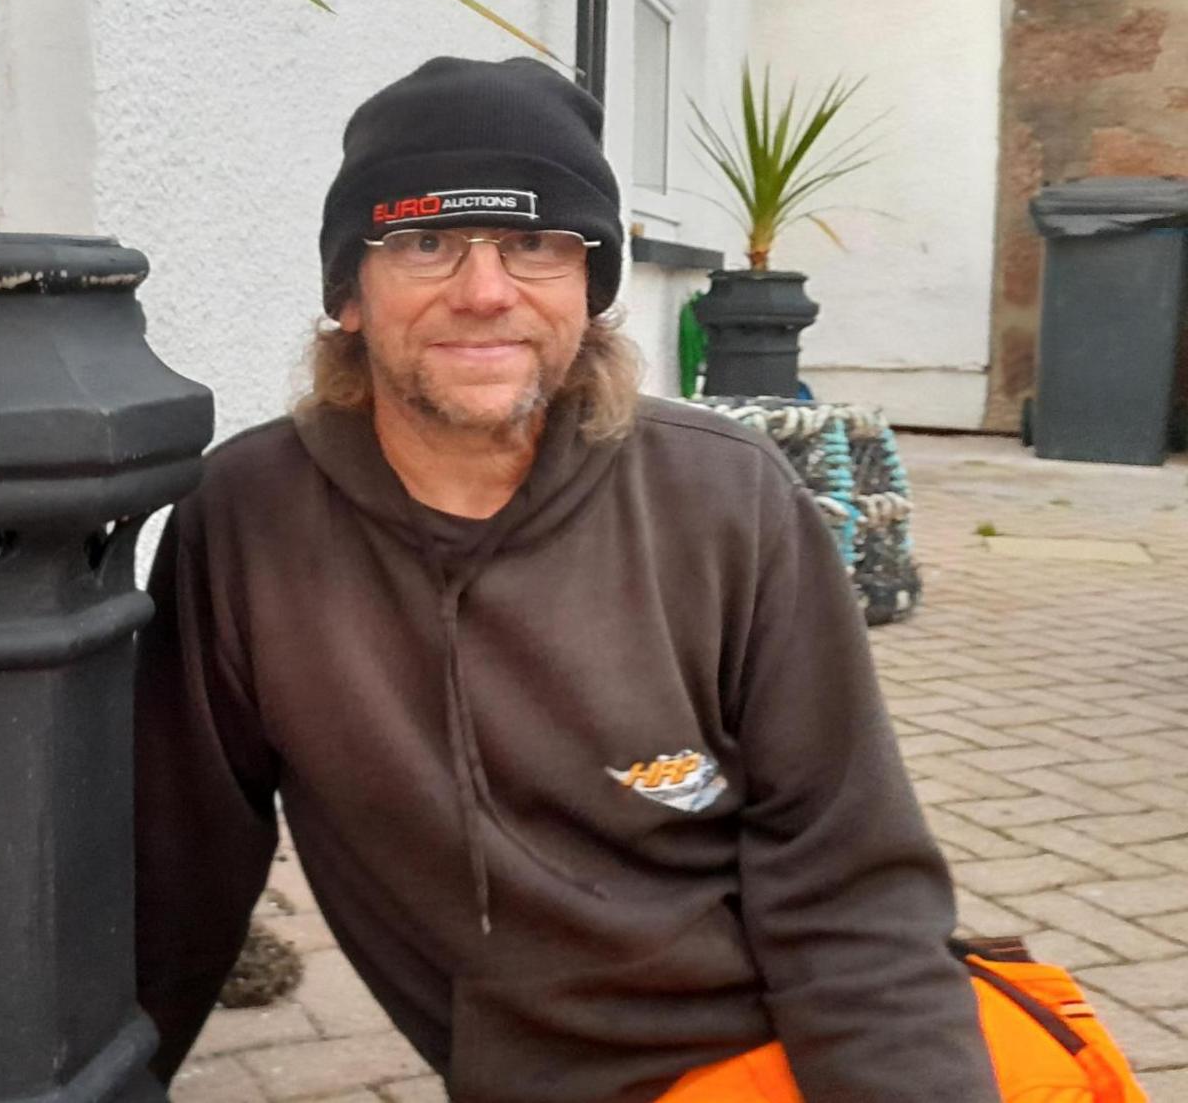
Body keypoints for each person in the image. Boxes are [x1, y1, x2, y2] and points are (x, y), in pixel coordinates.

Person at [131, 56, 1007, 1103]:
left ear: (588, 288)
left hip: (771, 1049)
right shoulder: (247, 519)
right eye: (424, 241)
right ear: (347, 294)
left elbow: (847, 875)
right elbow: (178, 872)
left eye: (534, 242)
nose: (483, 289)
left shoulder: (725, 499)